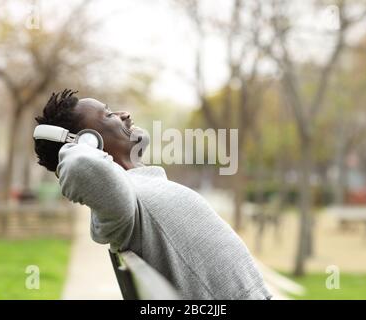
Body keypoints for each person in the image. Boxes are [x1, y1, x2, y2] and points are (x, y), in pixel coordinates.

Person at [34, 89, 271, 300]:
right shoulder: (122, 204)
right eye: (108, 115)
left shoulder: (137, 188)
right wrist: (74, 144)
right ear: (90, 142)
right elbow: (79, 167)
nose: (124, 114)